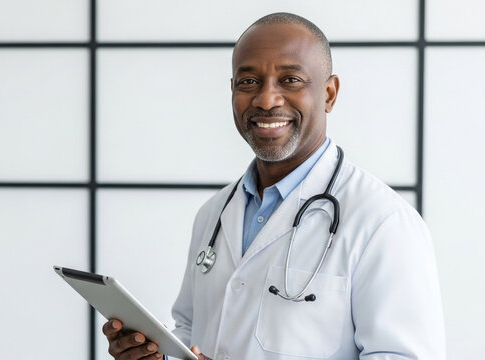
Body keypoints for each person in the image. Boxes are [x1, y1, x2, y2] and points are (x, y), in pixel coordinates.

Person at [103, 12, 445, 360]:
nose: (266, 100)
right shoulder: (214, 214)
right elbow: (191, 329)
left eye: (291, 80)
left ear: (329, 93)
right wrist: (155, 355)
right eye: (248, 81)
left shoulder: (383, 222)